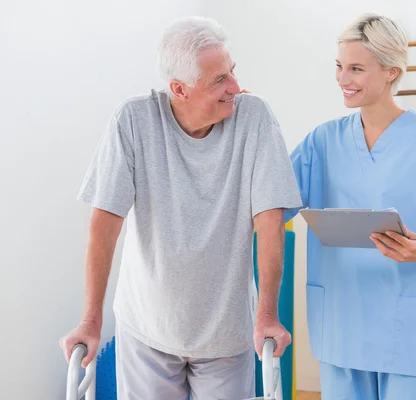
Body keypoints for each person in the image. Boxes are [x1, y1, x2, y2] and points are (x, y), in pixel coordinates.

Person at [59, 16, 302, 399]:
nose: (235, 87)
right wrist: (91, 321)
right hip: (148, 327)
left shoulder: (254, 118)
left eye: (232, 72)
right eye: (219, 80)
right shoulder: (134, 121)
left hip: (226, 332)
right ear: (179, 89)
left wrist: (267, 315)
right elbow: (104, 225)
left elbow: (269, 222)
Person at [285, 13, 416, 400]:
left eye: (356, 68)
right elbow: (272, 206)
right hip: (344, 321)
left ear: (391, 71)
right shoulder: (322, 141)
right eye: (339, 66)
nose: (342, 79)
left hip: (408, 325)